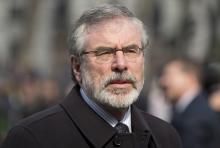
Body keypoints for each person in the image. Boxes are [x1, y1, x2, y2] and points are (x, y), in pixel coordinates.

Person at [1, 4, 182, 148]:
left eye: (130, 51)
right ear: (77, 67)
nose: (120, 64)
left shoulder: (165, 136)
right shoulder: (32, 138)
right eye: (104, 52)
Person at [159, 56, 220, 148]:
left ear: (190, 78)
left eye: (169, 75)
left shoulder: (197, 118)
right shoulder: (189, 109)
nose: (162, 81)